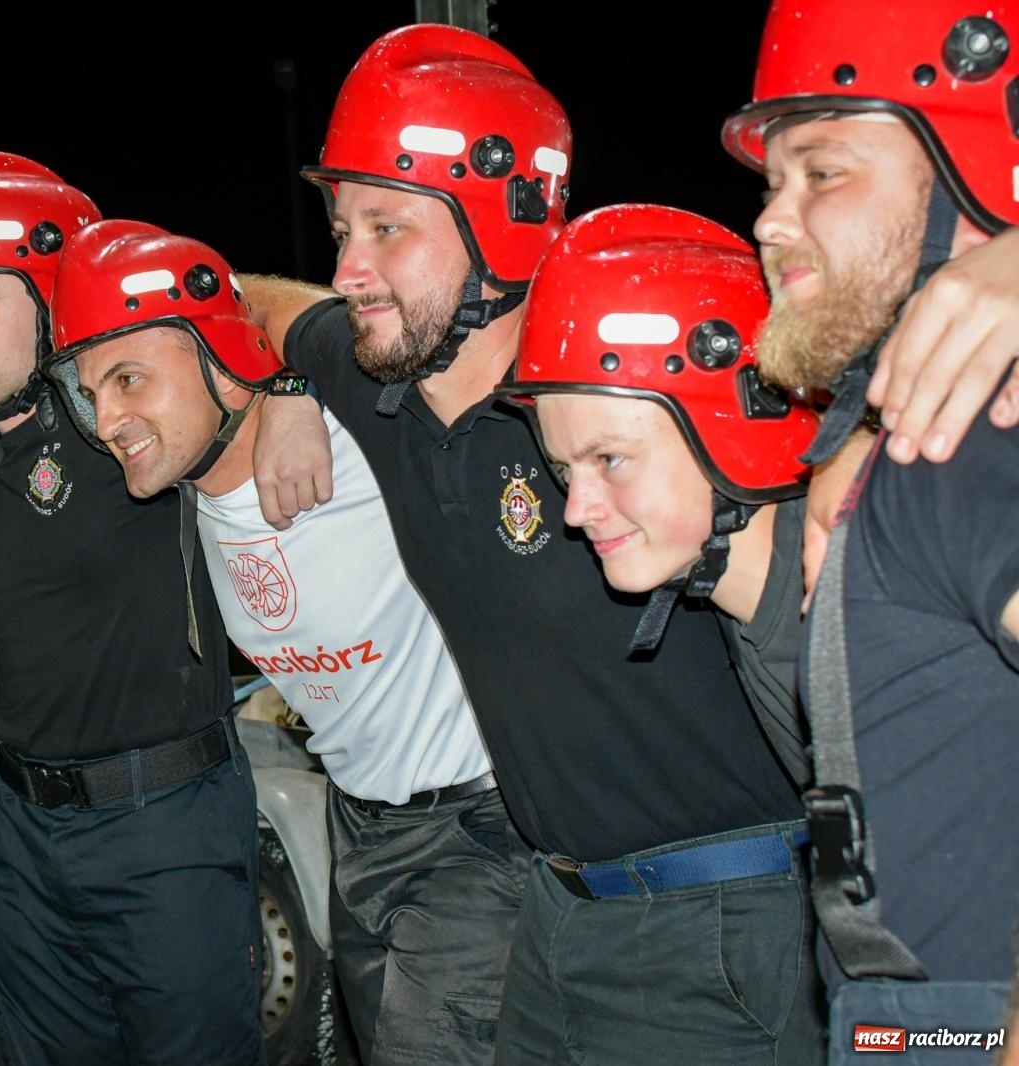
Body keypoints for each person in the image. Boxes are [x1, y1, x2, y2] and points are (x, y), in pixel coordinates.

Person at [240, 25, 827, 1063]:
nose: (349, 266)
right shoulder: (380, 379)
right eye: (341, 227)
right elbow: (271, 305)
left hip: (723, 915)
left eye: (386, 226)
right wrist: (288, 382)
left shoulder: (641, 406)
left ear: (498, 221)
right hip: (554, 909)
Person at [43, 218, 517, 1064]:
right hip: (360, 831)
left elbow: (344, 312)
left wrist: (298, 376)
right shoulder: (175, 499)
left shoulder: (360, 441)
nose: (106, 417)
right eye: (89, 392)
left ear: (223, 361)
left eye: (127, 378)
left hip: (476, 829)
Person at [0, 154, 266, 1066]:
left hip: (163, 826)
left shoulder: (134, 418)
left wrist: (289, 388)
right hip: (21, 824)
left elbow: (254, 309)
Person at [722, 0, 1019, 1055]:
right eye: (770, 182)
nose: (769, 219)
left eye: (823, 170)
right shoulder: (899, 426)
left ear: (975, 172)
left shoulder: (975, 427)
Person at [496, 202, 821, 791]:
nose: (575, 510)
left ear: (742, 427)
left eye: (610, 459)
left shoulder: (871, 604)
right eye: (565, 469)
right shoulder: (764, 609)